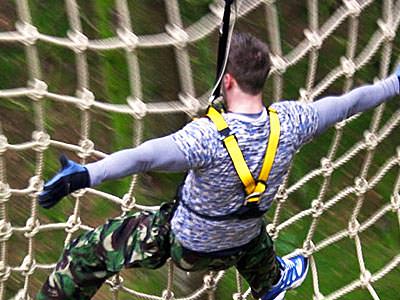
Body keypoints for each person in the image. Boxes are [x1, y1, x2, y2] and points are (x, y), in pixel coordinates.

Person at [36, 32, 400, 300]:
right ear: (264, 77)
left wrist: (87, 173)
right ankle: (270, 280)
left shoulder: (205, 138)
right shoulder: (292, 122)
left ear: (226, 81)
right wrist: (393, 83)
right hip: (240, 245)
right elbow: (350, 103)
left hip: (188, 247)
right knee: (251, 225)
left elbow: (144, 156)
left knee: (89, 251)